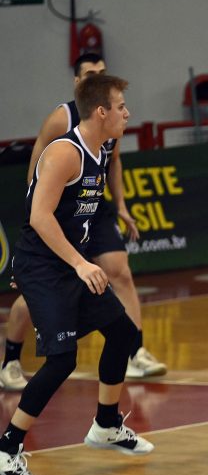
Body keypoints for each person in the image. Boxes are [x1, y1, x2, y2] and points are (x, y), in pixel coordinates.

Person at [0, 74, 154, 475]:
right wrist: (78, 264)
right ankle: (6, 450)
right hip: (46, 266)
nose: (127, 113)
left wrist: (80, 260)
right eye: (120, 106)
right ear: (101, 111)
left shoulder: (102, 148)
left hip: (67, 262)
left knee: (122, 331)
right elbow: (39, 217)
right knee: (62, 360)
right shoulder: (65, 152)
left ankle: (106, 423)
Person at [0, 53, 166, 392]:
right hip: (59, 209)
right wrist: (37, 223)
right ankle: (11, 359)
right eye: (91, 74)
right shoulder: (62, 119)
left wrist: (120, 205)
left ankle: (134, 351)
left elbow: (113, 162)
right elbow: (38, 166)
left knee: (120, 271)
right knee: (38, 291)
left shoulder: (113, 118)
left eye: (102, 72)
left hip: (93, 206)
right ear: (77, 82)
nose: (98, 77)